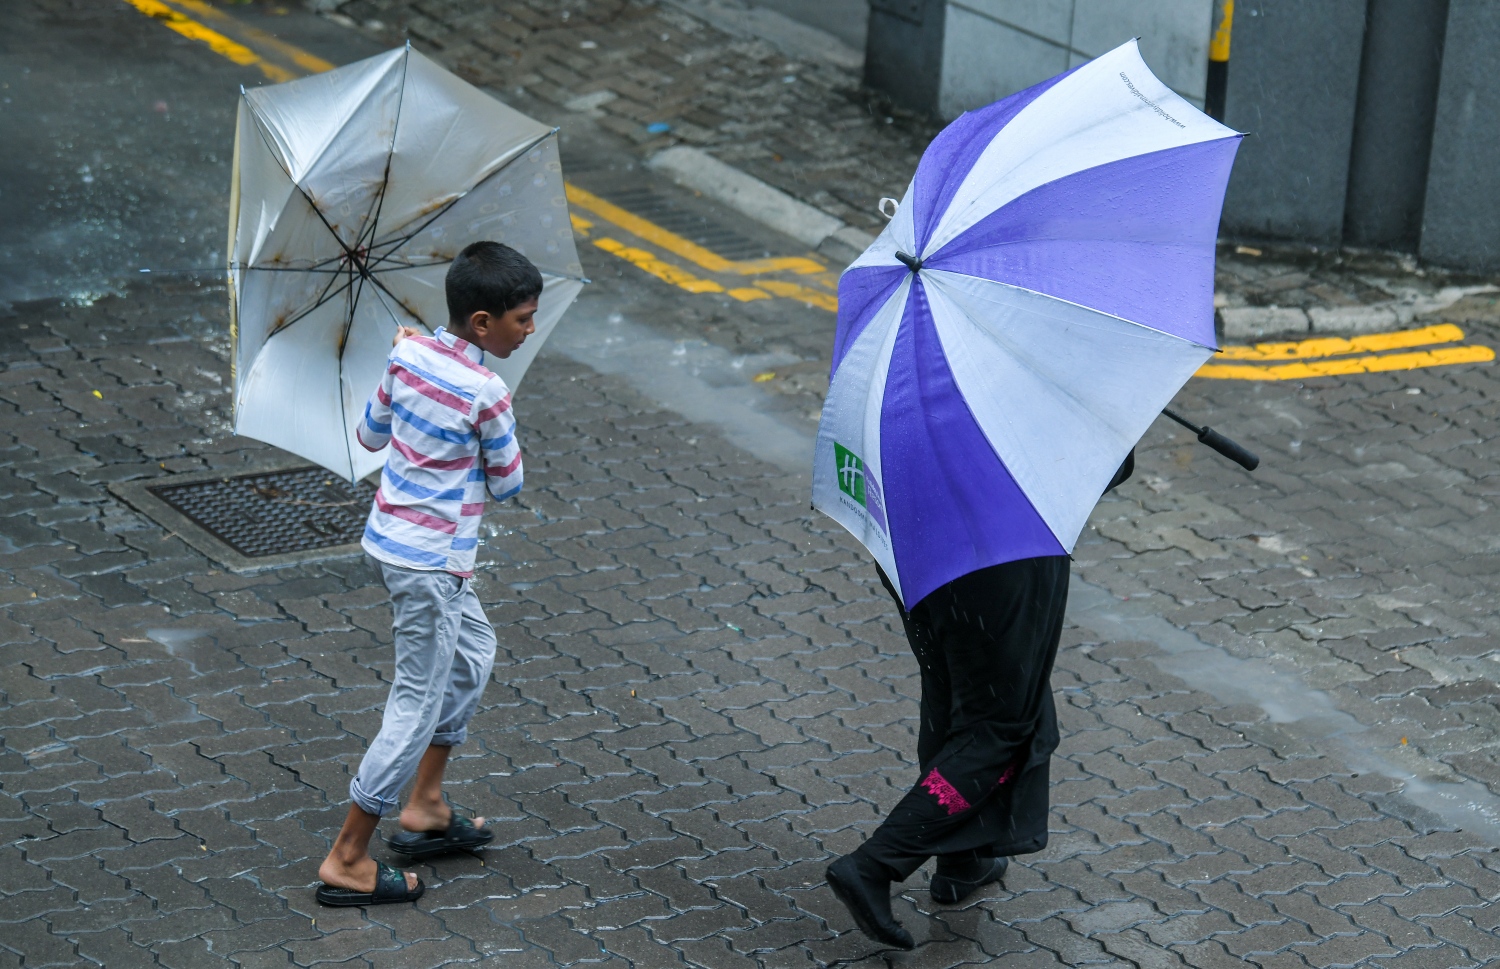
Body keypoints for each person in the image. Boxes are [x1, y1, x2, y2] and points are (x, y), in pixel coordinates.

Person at [825, 451, 1135, 948]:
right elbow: (1093, 470)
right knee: (1000, 726)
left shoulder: (918, 384)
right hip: (1000, 554)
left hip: (915, 538)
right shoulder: (1032, 377)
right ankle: (875, 865)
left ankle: (961, 860)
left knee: (954, 694)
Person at [314, 241, 541, 907]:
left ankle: (426, 805)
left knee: (474, 652)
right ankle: (348, 854)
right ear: (481, 323)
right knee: (414, 703)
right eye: (522, 319)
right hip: (431, 563)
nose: (528, 330)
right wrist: (486, 429)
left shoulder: (407, 353)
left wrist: (408, 365)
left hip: (392, 541)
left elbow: (371, 434)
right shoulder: (489, 393)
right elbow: (510, 483)